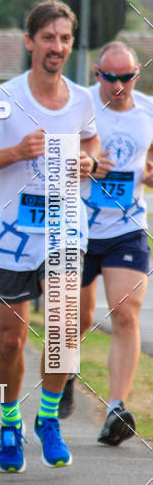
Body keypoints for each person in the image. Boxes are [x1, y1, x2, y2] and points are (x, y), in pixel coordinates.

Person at [0, 0, 99, 473]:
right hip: (12, 236)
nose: (56, 47)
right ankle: (10, 420)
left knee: (62, 333)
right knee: (10, 340)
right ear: (30, 42)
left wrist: (90, 163)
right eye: (47, 38)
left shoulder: (83, 100)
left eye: (64, 39)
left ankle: (48, 419)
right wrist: (16, 151)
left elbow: (94, 148)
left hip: (65, 228)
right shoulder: (2, 99)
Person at [59, 41, 153, 444]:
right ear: (97, 73)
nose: (119, 86)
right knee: (75, 320)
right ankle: (63, 375)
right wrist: (83, 165)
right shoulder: (78, 106)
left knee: (126, 312)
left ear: (137, 74)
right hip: (78, 224)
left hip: (127, 227)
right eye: (110, 77)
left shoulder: (148, 111)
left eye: (127, 77)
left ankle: (116, 409)